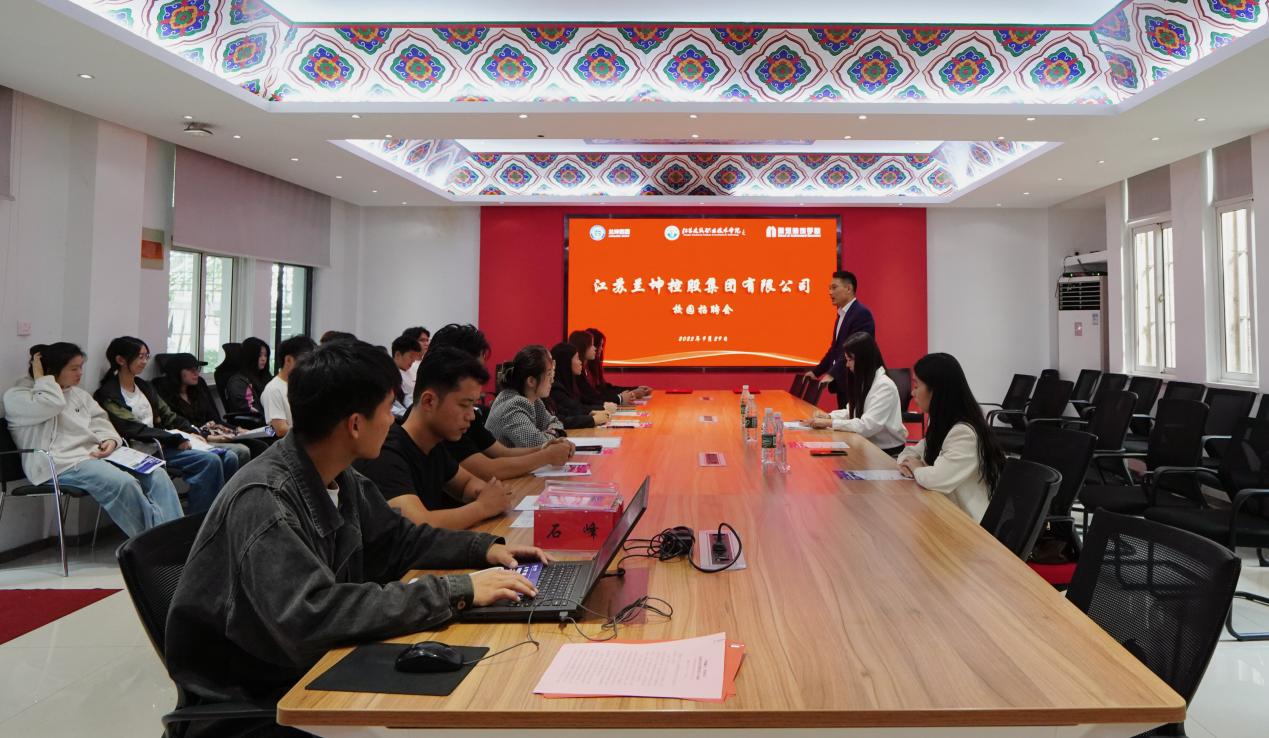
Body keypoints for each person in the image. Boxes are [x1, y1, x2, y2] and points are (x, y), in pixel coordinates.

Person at [165, 340, 547, 737]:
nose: (392, 422)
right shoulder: (267, 499)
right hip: (260, 699)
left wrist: (485, 549)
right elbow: (312, 615)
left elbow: (400, 540)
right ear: (354, 424)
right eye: (387, 410)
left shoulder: (341, 477)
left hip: (311, 666)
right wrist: (457, 590)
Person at [3, 343, 182, 537]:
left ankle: (175, 538)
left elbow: (99, 420)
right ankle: (155, 543)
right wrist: (43, 379)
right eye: (74, 368)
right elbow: (51, 404)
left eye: (81, 367)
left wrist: (110, 439)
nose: (80, 373)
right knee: (123, 483)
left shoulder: (79, 394)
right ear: (50, 370)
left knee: (156, 474)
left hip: (95, 455)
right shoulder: (18, 396)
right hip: (59, 463)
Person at [356, 348, 514, 530]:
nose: (471, 416)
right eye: (464, 405)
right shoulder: (385, 453)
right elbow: (417, 526)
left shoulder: (433, 444)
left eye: (474, 405)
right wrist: (483, 507)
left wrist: (487, 495)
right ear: (429, 401)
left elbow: (466, 484)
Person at [94, 337, 234, 514]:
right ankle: (200, 519)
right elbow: (131, 428)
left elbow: (169, 415)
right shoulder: (109, 393)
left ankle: (222, 513)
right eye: (140, 357)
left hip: (160, 443)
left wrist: (192, 431)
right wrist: (174, 439)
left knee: (228, 456)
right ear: (121, 360)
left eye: (146, 356)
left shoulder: (144, 386)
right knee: (209, 461)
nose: (145, 361)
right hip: (141, 450)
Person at [429, 324, 573, 479]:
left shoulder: (465, 417)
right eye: (475, 371)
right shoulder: (444, 424)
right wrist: (546, 455)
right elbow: (489, 470)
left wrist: (547, 448)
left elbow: (502, 452)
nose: (471, 414)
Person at [896, 353, 1005, 521]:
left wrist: (916, 468)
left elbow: (937, 479)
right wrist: (908, 463)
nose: (912, 392)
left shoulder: (964, 433)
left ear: (936, 391)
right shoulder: (943, 423)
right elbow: (911, 452)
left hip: (967, 523)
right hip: (944, 510)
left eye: (917, 385)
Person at [809, 332, 907, 455]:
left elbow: (867, 426)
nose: (847, 364)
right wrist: (829, 416)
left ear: (864, 359)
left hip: (886, 453)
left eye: (850, 360)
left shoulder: (884, 386)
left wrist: (830, 423)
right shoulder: (865, 380)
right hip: (867, 445)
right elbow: (851, 412)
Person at [155, 353, 262, 465]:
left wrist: (237, 429)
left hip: (211, 433)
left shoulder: (198, 386)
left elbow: (215, 419)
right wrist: (210, 437)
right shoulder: (162, 391)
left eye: (197, 369)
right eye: (191, 370)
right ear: (177, 372)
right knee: (241, 450)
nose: (196, 373)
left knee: (257, 444)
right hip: (191, 439)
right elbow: (176, 426)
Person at [805, 270, 876, 409]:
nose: (830, 292)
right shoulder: (842, 315)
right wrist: (816, 372)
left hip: (856, 382)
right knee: (845, 418)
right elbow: (835, 350)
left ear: (848, 288)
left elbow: (854, 350)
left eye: (834, 287)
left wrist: (831, 374)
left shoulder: (861, 314)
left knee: (854, 420)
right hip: (844, 383)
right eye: (829, 288)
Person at [486, 345, 565, 448]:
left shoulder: (534, 401)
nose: (552, 380)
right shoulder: (513, 405)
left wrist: (553, 432)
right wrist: (555, 434)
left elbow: (555, 422)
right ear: (531, 381)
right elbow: (538, 445)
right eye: (549, 374)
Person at [567, 329, 646, 407]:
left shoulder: (588, 369)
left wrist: (627, 394)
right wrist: (620, 398)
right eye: (592, 345)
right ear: (583, 348)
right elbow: (591, 398)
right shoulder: (578, 372)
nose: (597, 349)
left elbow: (602, 390)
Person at [261, 335, 317, 439]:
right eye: (305, 361)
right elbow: (280, 430)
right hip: (292, 445)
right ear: (288, 360)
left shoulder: (305, 384)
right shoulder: (273, 389)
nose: (310, 366)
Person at [548, 342, 611, 429]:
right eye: (577, 358)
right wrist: (593, 417)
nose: (581, 362)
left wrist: (591, 413)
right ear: (566, 363)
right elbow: (569, 412)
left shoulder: (569, 383)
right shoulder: (555, 388)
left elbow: (573, 409)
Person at [223, 337, 270, 424]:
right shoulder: (238, 382)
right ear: (250, 357)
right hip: (253, 427)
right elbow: (251, 412)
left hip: (271, 422)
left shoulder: (263, 377)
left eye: (265, 355)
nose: (263, 359)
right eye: (259, 355)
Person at [391, 334, 424, 409]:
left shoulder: (412, 370)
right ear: (398, 355)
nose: (413, 361)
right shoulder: (391, 374)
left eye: (415, 358)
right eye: (411, 357)